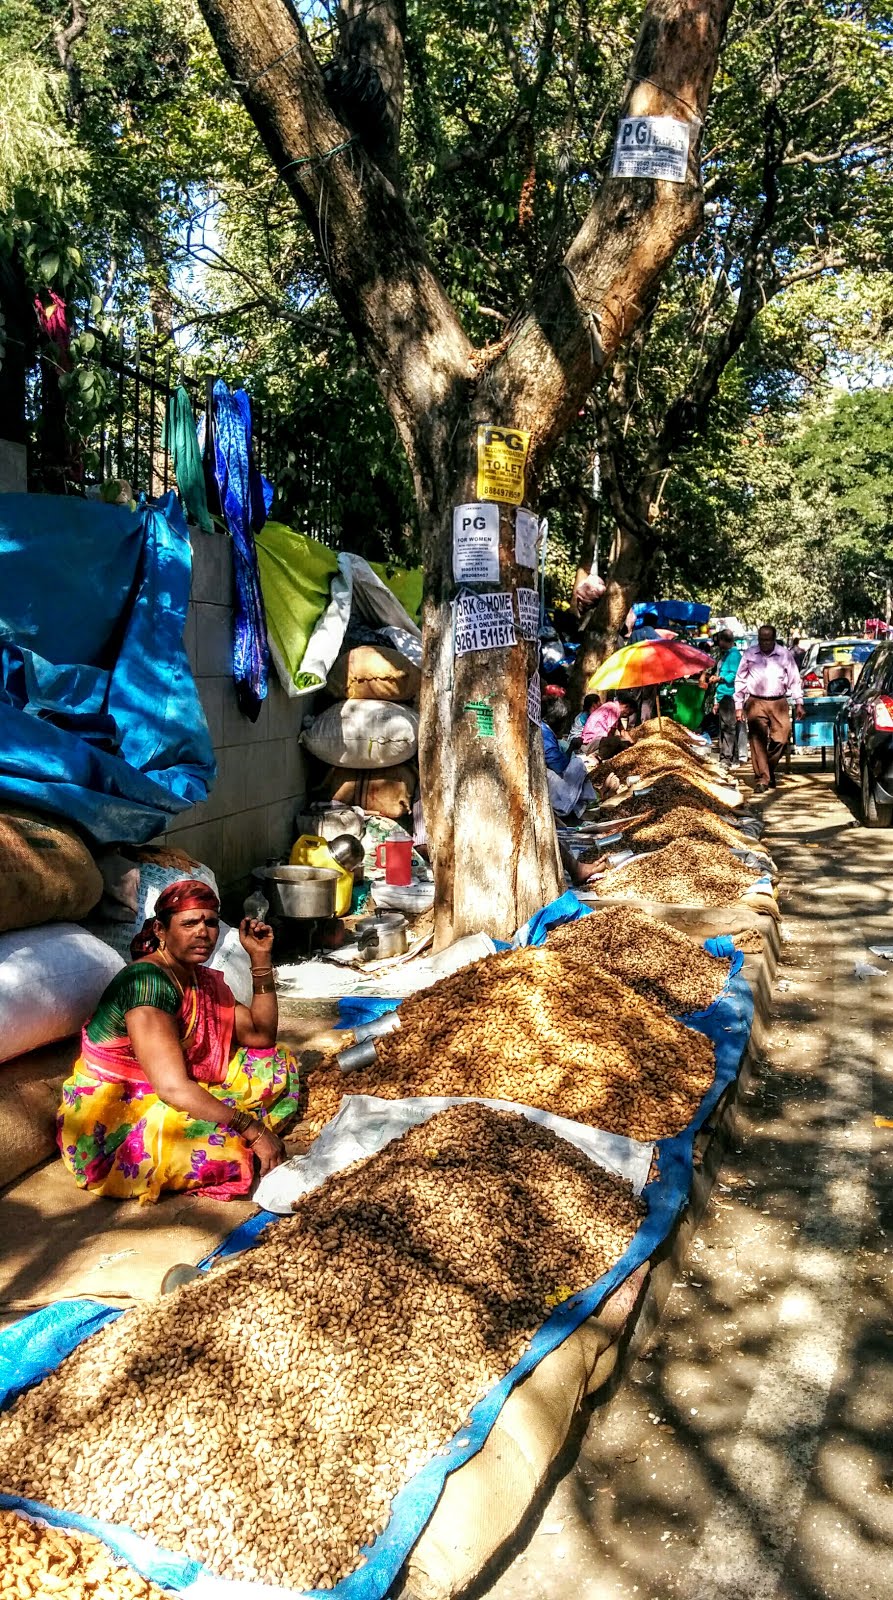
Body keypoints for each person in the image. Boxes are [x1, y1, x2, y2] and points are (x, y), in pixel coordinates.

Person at [58, 879, 301, 1203]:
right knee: (225, 1147)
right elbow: (171, 1088)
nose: (204, 932)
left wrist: (259, 958)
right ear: (161, 930)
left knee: (273, 1063)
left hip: (173, 1083)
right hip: (117, 1104)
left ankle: (231, 1123)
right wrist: (252, 1130)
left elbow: (261, 1036)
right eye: (190, 923)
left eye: (211, 922)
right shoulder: (147, 985)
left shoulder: (196, 978)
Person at [734, 624, 803, 793]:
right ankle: (762, 779)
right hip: (755, 701)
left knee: (782, 738)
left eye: (767, 640)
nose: (764, 643)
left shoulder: (784, 655)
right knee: (757, 740)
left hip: (779, 702)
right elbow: (740, 680)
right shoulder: (750, 654)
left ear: (774, 639)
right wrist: (738, 705)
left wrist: (799, 702)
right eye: (761, 640)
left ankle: (768, 770)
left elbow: (795, 679)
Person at [703, 628, 741, 769]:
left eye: (719, 641)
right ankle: (733, 758)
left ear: (724, 641)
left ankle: (727, 758)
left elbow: (734, 675)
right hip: (722, 695)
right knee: (725, 727)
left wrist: (719, 679)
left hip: (729, 695)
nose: (718, 644)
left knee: (728, 728)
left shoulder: (734, 656)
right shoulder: (725, 655)